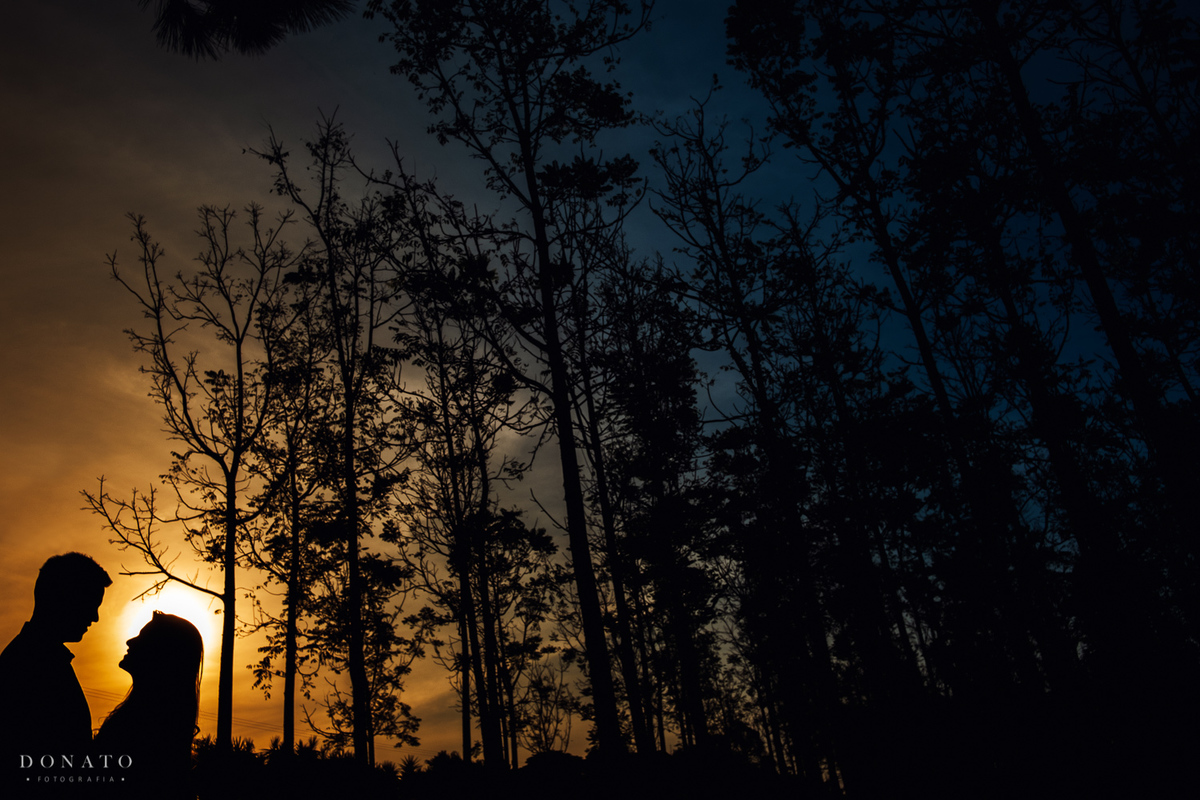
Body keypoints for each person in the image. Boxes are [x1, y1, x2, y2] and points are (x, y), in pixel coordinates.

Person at [0, 552, 112, 780]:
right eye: (91, 604)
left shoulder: (38, 658)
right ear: (62, 598)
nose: (95, 617)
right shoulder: (31, 667)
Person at [93, 612, 203, 799]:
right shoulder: (159, 725)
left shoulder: (144, 728)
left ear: (161, 655)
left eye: (142, 638)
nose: (130, 641)